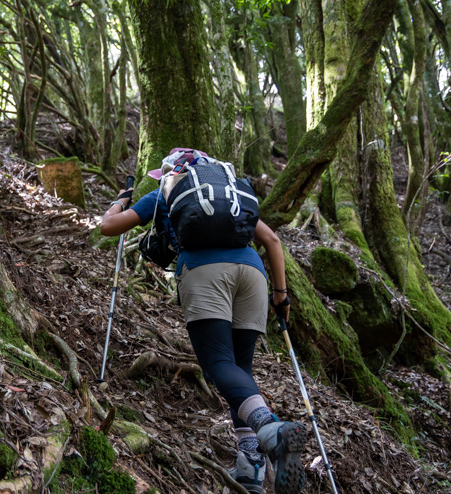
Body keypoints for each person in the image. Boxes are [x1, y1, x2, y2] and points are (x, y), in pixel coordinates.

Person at [100, 148, 309, 494]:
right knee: (240, 374)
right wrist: (281, 295)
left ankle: (272, 430)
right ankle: (250, 469)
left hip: (205, 272)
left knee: (217, 367)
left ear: (172, 172)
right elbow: (272, 240)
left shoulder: (166, 191)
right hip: (253, 273)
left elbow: (109, 227)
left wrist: (120, 202)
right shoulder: (228, 196)